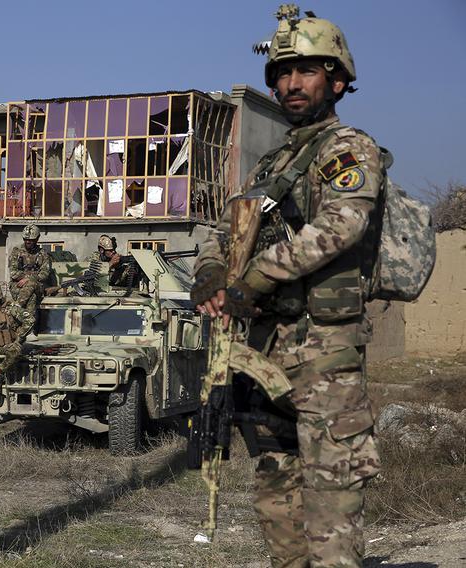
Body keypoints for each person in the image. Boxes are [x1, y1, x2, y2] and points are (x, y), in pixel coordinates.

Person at [191, 5, 382, 566]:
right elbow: (225, 229)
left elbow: (341, 226)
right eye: (281, 72)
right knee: (277, 501)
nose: (290, 83)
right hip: (267, 351)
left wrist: (253, 276)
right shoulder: (274, 162)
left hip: (324, 354)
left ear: (338, 80)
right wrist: (210, 272)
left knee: (330, 514)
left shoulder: (347, 149)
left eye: (307, 71)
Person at [8, 224, 51, 317]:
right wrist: (27, 278)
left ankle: (17, 307)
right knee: (32, 298)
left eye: (31, 240)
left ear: (37, 239)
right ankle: (28, 327)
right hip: (17, 286)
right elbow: (13, 273)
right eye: (25, 239)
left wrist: (28, 279)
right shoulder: (16, 252)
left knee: (31, 284)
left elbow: (45, 273)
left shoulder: (43, 254)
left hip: (37, 286)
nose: (28, 242)